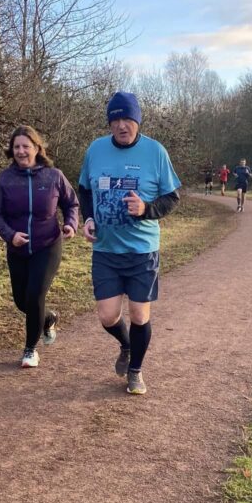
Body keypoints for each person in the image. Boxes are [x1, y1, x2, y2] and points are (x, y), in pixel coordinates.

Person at [78, 91, 181, 396]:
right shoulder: (96, 150)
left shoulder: (155, 152)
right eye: (116, 120)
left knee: (139, 314)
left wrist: (146, 209)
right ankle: (126, 345)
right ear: (109, 122)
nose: (122, 125)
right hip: (106, 250)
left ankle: (135, 370)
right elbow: (85, 190)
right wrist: (88, 217)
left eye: (128, 119)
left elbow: (172, 197)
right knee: (107, 316)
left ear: (138, 121)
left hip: (141, 251)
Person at [0, 125, 79, 369]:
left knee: (35, 294)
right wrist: (10, 236)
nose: (21, 151)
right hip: (17, 249)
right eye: (16, 147)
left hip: (47, 245)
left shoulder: (54, 176)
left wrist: (71, 224)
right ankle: (48, 318)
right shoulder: (5, 179)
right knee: (22, 301)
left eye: (25, 146)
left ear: (37, 148)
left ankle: (30, 349)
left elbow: (71, 204)